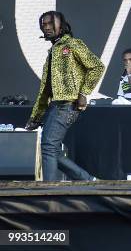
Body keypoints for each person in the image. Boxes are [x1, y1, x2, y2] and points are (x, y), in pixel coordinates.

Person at [25, 11, 105, 181]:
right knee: (51, 149)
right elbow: (45, 89)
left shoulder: (73, 44)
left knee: (48, 147)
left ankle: (50, 191)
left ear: (61, 25)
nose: (45, 27)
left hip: (68, 104)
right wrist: (35, 117)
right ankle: (87, 180)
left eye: (49, 23)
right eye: (43, 24)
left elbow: (97, 66)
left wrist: (84, 93)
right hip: (55, 105)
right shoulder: (52, 52)